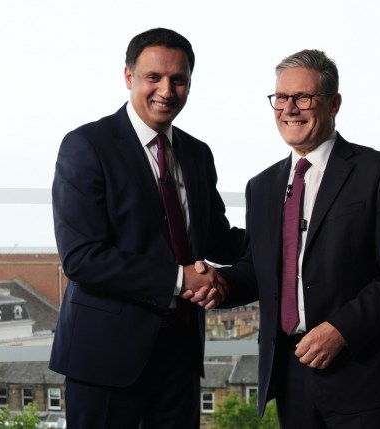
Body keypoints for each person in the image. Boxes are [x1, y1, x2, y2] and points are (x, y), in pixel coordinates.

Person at [214, 49, 380, 428]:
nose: (290, 109)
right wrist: (218, 283)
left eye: (303, 98)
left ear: (334, 103)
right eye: (281, 98)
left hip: (365, 375)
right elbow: (262, 272)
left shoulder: (379, 172)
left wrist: (341, 330)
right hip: (291, 375)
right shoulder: (261, 187)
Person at [49, 28, 244, 428]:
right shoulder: (86, 146)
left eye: (179, 79)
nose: (166, 90)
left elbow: (216, 238)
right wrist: (180, 279)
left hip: (180, 355)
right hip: (105, 359)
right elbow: (82, 258)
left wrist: (292, 239)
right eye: (154, 77)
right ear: (128, 77)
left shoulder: (196, 153)